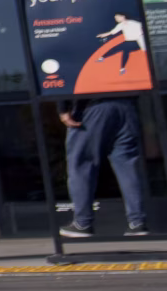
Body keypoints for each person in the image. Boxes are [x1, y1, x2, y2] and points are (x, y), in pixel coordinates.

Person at [60, 94, 149, 239]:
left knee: (81, 164)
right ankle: (137, 222)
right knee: (127, 166)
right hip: (127, 106)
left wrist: (63, 108)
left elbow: (67, 76)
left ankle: (82, 223)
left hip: (93, 105)